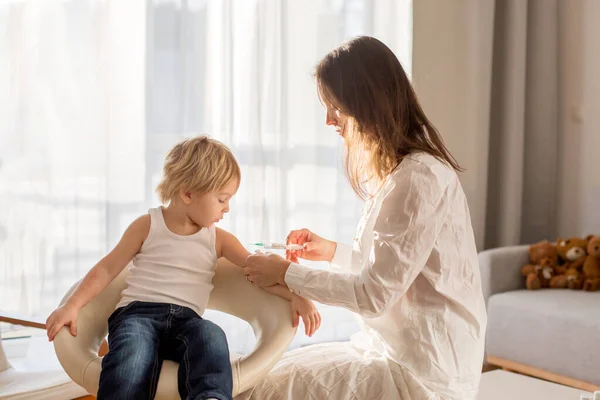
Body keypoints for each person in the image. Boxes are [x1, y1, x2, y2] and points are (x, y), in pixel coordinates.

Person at [242, 36, 487, 400]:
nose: (328, 120)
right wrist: (331, 253)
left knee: (265, 390)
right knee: (267, 379)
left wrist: (285, 274)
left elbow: (374, 296)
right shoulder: (402, 174)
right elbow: (394, 271)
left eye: (335, 108)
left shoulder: (418, 179)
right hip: (395, 351)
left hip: (423, 372)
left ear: (366, 103)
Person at [45, 136, 321, 400]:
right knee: (132, 354)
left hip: (187, 321)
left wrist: (295, 296)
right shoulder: (147, 225)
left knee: (211, 336)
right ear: (188, 193)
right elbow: (107, 269)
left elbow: (259, 273)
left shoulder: (219, 239)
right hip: (138, 314)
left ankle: (210, 396)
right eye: (222, 199)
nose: (227, 209)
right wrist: (71, 305)